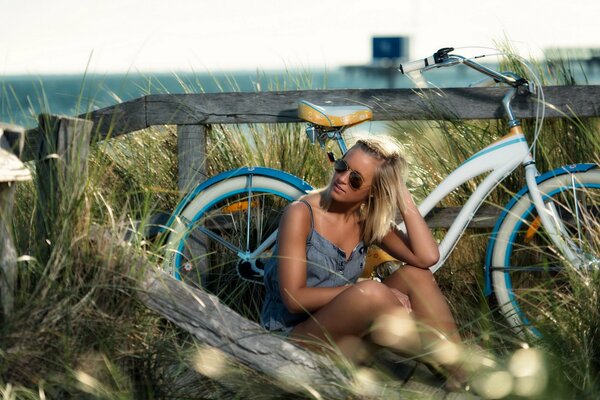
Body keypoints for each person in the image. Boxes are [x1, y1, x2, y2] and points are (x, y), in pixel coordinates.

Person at [260, 135, 464, 385]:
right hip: (294, 339)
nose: (342, 179)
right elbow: (293, 300)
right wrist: (360, 291)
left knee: (417, 275)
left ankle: (456, 371)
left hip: (346, 333)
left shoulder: (366, 221)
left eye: (356, 179)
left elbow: (427, 257)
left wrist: (401, 193)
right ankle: (458, 365)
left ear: (374, 192)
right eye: (342, 167)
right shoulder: (301, 213)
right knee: (371, 291)